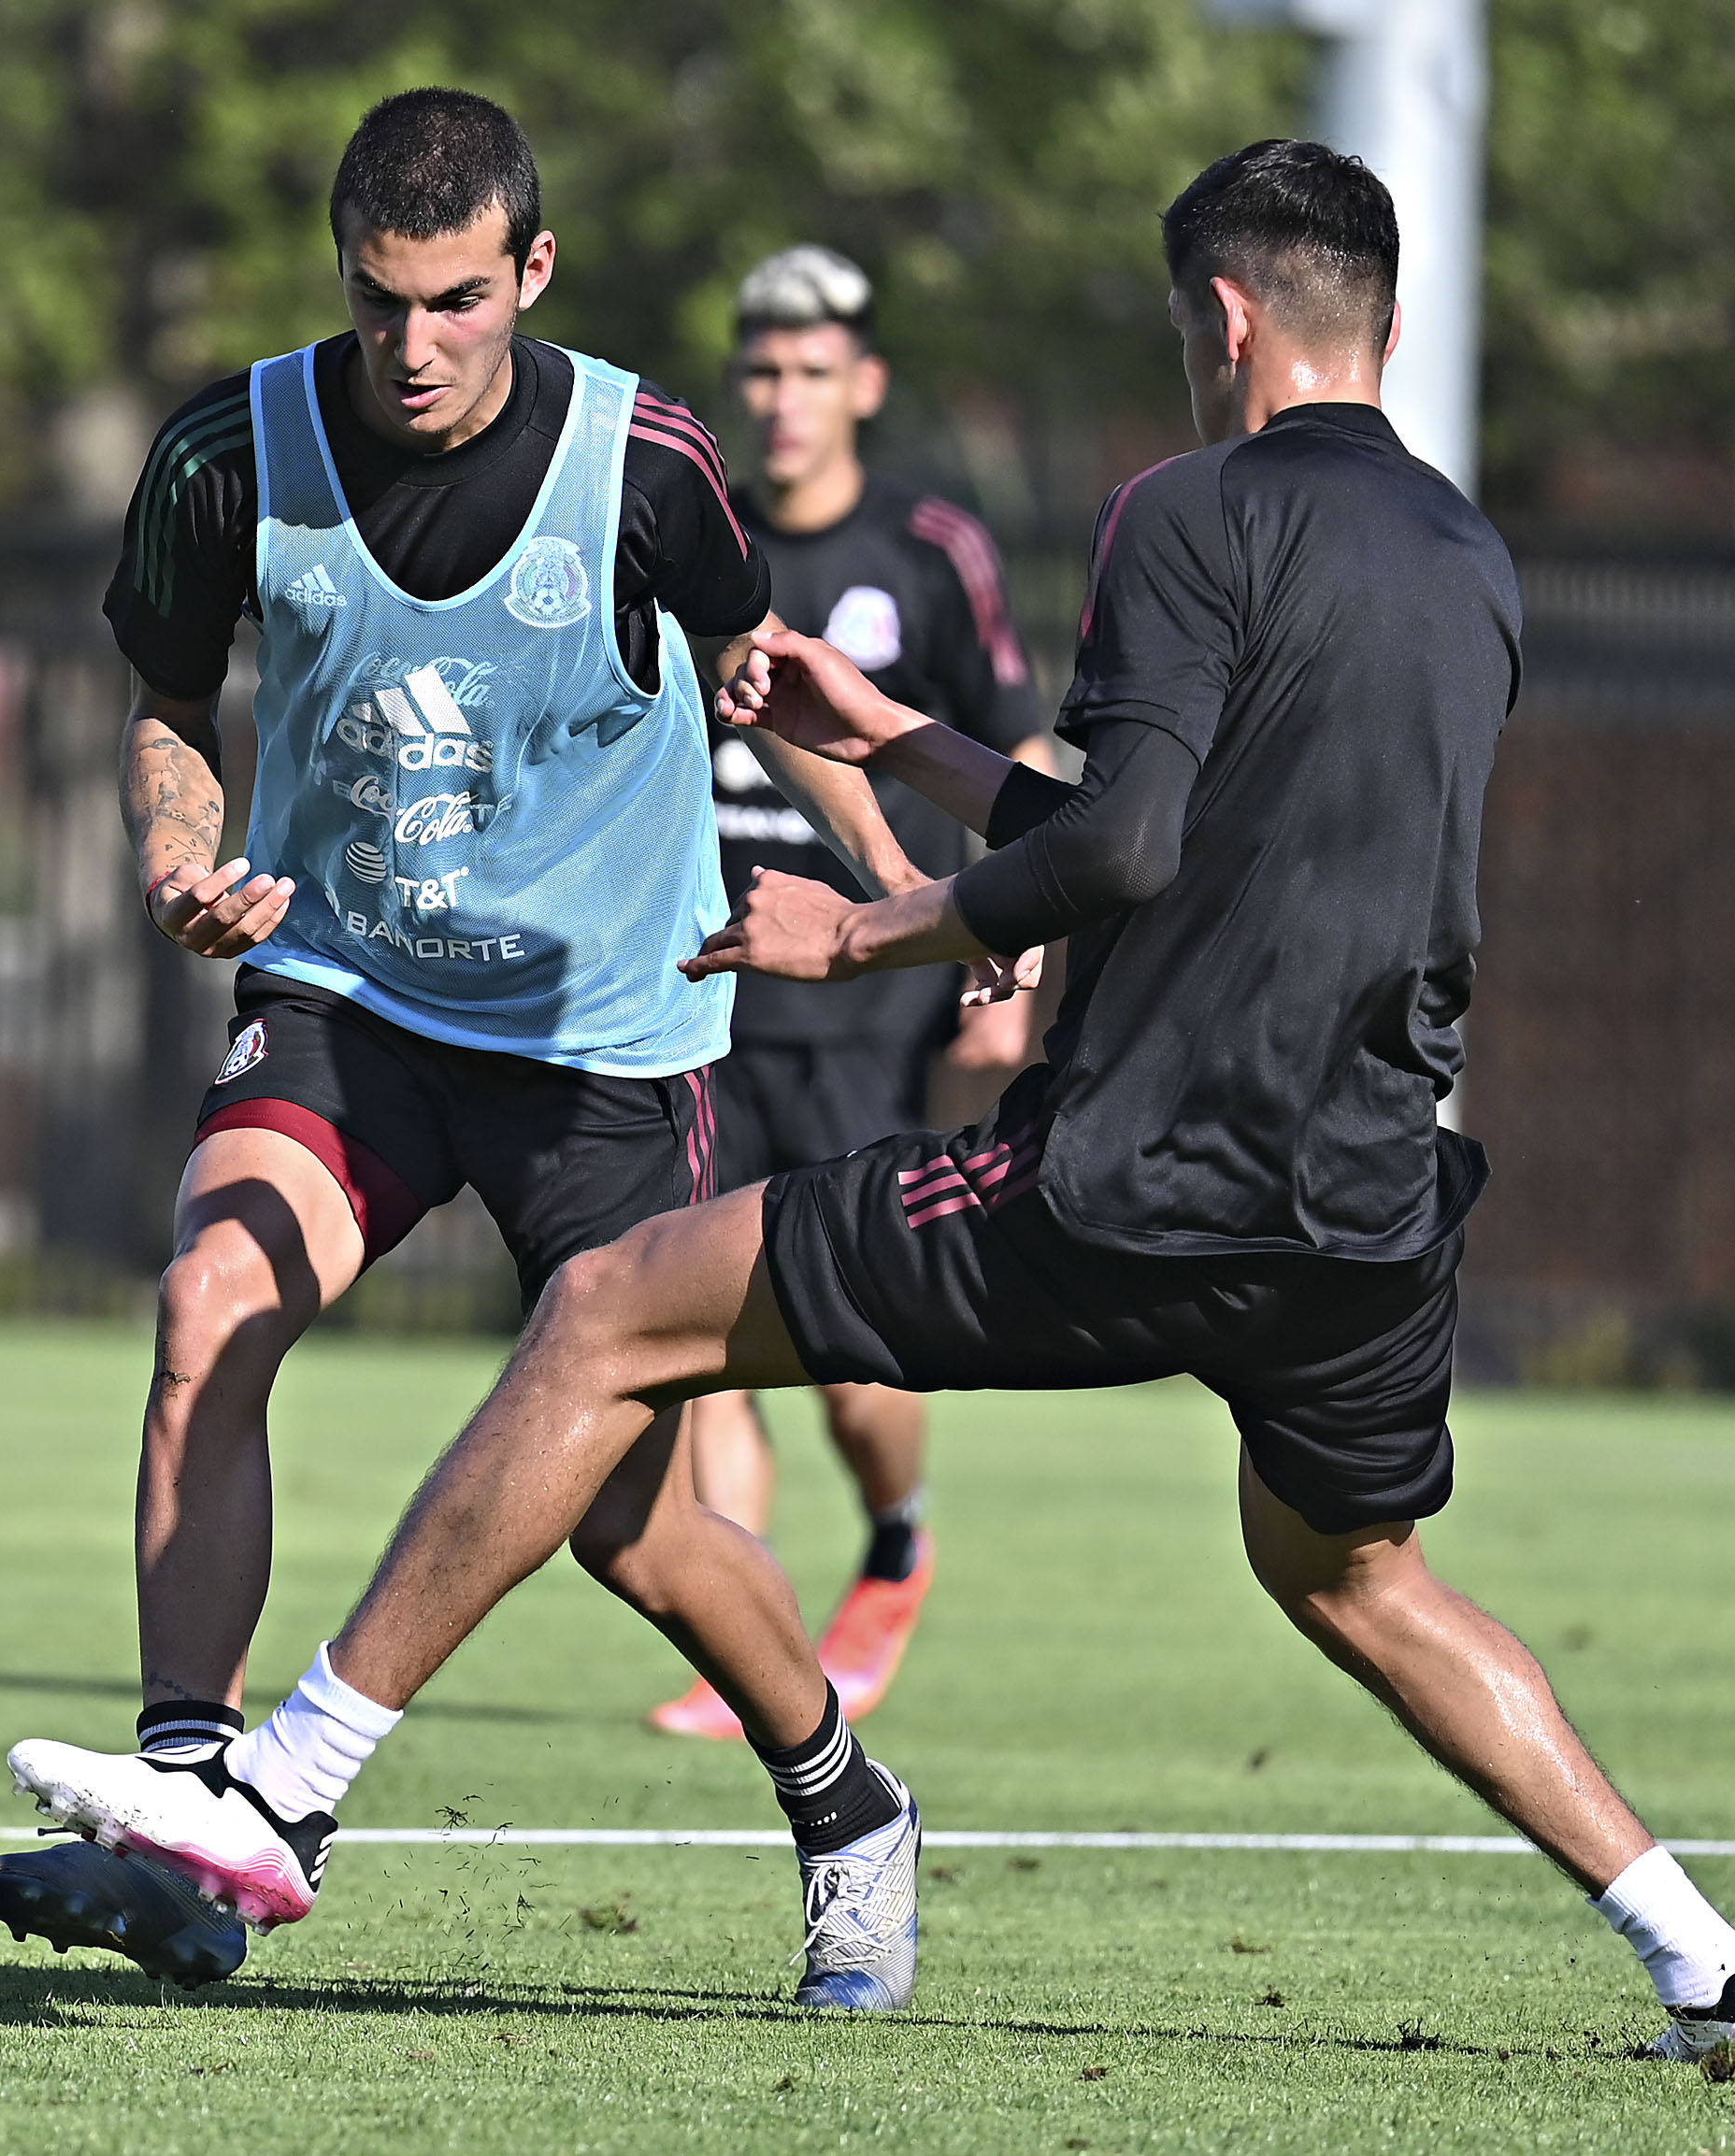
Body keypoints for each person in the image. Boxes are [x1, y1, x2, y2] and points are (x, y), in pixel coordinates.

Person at [3, 140, 1735, 2070]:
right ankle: (1714, 1960)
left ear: (1221, 320)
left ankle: (281, 1795)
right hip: (1365, 1207)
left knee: (610, 1310)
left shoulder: (1182, 511)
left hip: (1137, 1178)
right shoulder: (1469, 557)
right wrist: (904, 742)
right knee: (1352, 1575)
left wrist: (872, 930)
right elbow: (1176, 842)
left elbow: (1121, 846)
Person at [0, 86, 949, 1992]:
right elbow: (169, 706)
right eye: (375, 301)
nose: (410, 347)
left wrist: (921, 902)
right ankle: (194, 1797)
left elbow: (781, 704)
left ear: (532, 271)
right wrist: (184, 851)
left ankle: (843, 1798)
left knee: (631, 1525)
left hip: (605, 1028)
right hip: (352, 987)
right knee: (209, 1308)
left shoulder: (652, 464)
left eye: (453, 303)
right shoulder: (221, 452)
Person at [647, 244, 1052, 1743]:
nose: (784, 396)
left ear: (864, 385)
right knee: (693, 1333)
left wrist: (1016, 962)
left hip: (868, 1002)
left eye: (814, 370)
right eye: (761, 369)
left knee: (838, 1347)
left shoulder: (934, 546)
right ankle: (735, 1637)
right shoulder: (696, 534)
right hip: (701, 985)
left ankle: (895, 1539)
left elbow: (1022, 758)